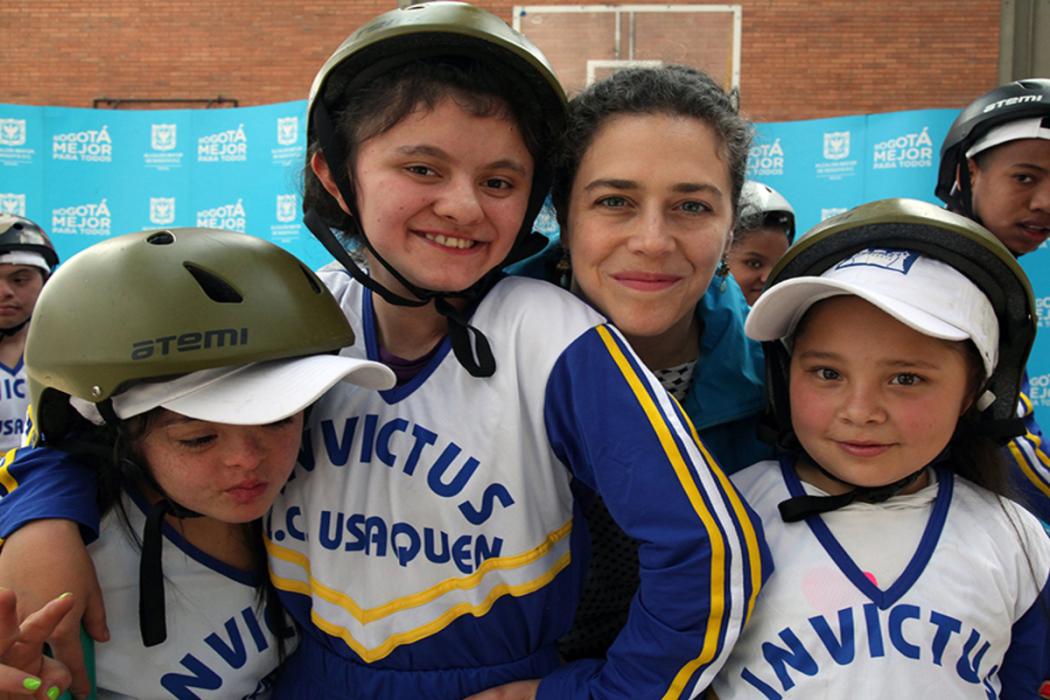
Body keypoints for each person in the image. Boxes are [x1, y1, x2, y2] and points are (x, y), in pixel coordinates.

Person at [0, 4, 769, 700]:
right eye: (422, 168)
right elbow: (97, 415)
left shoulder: (552, 337)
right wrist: (40, 522)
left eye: (500, 179)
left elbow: (708, 557)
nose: (463, 205)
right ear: (335, 175)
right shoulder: (296, 308)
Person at [0, 228, 395, 698]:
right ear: (115, 433)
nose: (247, 461)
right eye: (198, 438)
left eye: (280, 419)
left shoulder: (319, 493)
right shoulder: (72, 558)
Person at [712, 198, 1050, 697]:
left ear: (973, 390)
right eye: (827, 373)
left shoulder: (1018, 542)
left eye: (906, 378)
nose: (860, 410)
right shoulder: (722, 520)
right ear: (784, 375)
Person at [507, 65, 773, 664]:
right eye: (615, 201)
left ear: (732, 223)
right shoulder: (465, 349)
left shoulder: (788, 390)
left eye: (691, 206)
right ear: (563, 215)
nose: (653, 240)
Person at [936, 78, 1050, 525]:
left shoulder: (980, 270)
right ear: (968, 173)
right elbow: (1009, 447)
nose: (1045, 202)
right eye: (1024, 177)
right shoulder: (955, 278)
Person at [0, 215, 57, 453]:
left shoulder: (66, 355)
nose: (4, 292)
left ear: (47, 283)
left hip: (44, 484)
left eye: (20, 279)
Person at [725, 181, 795, 306]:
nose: (768, 278)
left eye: (780, 266)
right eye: (754, 264)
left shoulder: (790, 322)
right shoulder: (684, 322)